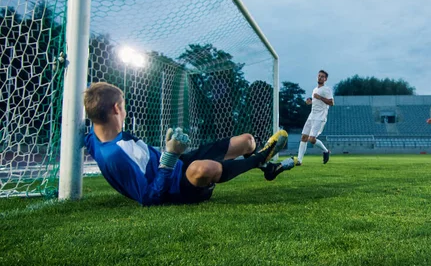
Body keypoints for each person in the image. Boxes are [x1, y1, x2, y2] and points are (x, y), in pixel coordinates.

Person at [83, 82, 289, 206]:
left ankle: (267, 168)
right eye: (125, 106)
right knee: (203, 169)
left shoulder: (95, 135)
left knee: (247, 140)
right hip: (176, 188)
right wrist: (169, 156)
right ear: (117, 108)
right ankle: (261, 158)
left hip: (178, 162)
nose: (126, 111)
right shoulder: (113, 155)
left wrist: (169, 150)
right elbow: (150, 198)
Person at [297, 70, 334, 166]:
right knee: (304, 137)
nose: (320, 77)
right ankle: (299, 160)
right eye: (319, 76)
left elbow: (331, 103)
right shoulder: (315, 89)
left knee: (312, 139)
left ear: (325, 79)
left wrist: (319, 97)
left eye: (322, 76)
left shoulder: (327, 89)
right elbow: (316, 101)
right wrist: (310, 101)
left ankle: (326, 151)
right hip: (311, 115)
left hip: (320, 117)